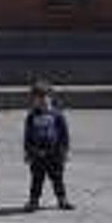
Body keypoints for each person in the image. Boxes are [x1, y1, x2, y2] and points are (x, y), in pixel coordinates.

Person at [23, 79, 74, 211]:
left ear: (50, 98)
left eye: (44, 98)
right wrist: (28, 152)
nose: (41, 101)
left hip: (54, 153)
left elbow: (64, 135)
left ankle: (62, 199)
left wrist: (64, 151)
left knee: (57, 178)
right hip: (37, 153)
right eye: (37, 99)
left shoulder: (57, 115)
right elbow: (27, 136)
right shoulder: (31, 116)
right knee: (36, 179)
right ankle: (33, 201)